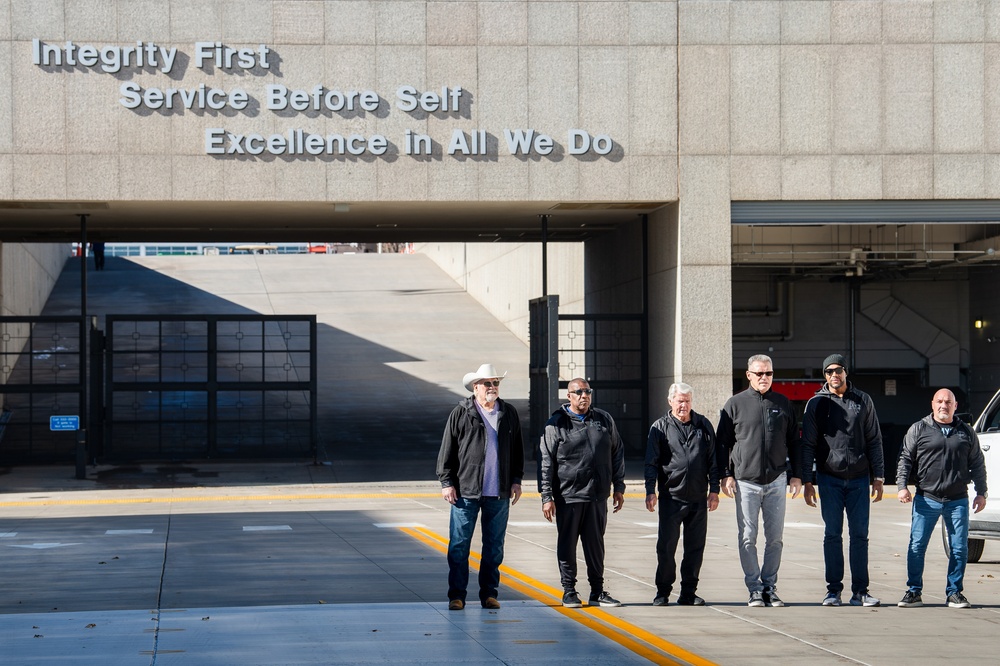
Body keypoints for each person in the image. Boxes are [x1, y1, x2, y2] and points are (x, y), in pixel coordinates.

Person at [436, 363, 524, 611]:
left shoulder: (508, 413)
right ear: (476, 387)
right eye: (488, 383)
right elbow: (447, 449)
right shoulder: (461, 412)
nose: (493, 387)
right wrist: (446, 482)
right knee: (459, 545)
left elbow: (517, 449)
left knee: (494, 546)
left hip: (499, 492)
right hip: (466, 492)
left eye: (496, 383)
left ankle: (489, 594)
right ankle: (457, 595)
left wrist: (516, 480)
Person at [800, 353, 885, 607]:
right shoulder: (816, 403)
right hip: (829, 478)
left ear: (846, 372)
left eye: (837, 370)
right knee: (832, 535)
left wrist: (878, 476)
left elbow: (874, 439)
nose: (833, 375)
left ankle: (860, 591)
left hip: (859, 479)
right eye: (828, 372)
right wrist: (807, 481)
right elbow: (808, 444)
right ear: (824, 376)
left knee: (860, 536)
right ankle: (833, 591)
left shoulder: (863, 400)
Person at [717, 354, 801, 608]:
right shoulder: (734, 404)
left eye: (769, 373)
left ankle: (769, 587)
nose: (764, 378)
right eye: (759, 373)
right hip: (746, 482)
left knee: (775, 538)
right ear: (749, 375)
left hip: (776, 480)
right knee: (747, 537)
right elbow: (723, 443)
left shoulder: (783, 403)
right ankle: (754, 588)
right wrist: (725, 474)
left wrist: (797, 475)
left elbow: (795, 442)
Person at [896, 388, 987, 609]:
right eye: (940, 401)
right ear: (932, 404)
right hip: (926, 499)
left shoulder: (966, 432)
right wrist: (902, 486)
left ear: (956, 406)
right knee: (917, 546)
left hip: (957, 500)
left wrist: (982, 492)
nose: (943, 405)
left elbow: (977, 463)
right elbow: (905, 459)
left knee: (959, 548)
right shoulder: (918, 429)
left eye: (948, 402)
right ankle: (913, 591)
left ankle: (954, 593)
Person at [539, 377, 626, 608]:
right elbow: (547, 462)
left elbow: (617, 452)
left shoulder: (604, 419)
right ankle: (569, 590)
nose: (584, 396)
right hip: (569, 496)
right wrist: (547, 497)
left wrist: (618, 486)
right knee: (567, 544)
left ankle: (597, 592)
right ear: (569, 396)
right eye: (578, 392)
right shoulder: (556, 423)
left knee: (595, 545)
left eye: (587, 391)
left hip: (597, 496)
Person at [644, 382, 722, 606]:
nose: (683, 405)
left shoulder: (703, 425)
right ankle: (663, 591)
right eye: (680, 400)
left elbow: (713, 461)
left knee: (695, 549)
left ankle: (688, 592)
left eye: (687, 401)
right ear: (671, 401)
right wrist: (651, 491)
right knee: (666, 548)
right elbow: (651, 463)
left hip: (698, 498)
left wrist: (714, 490)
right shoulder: (660, 427)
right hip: (671, 498)